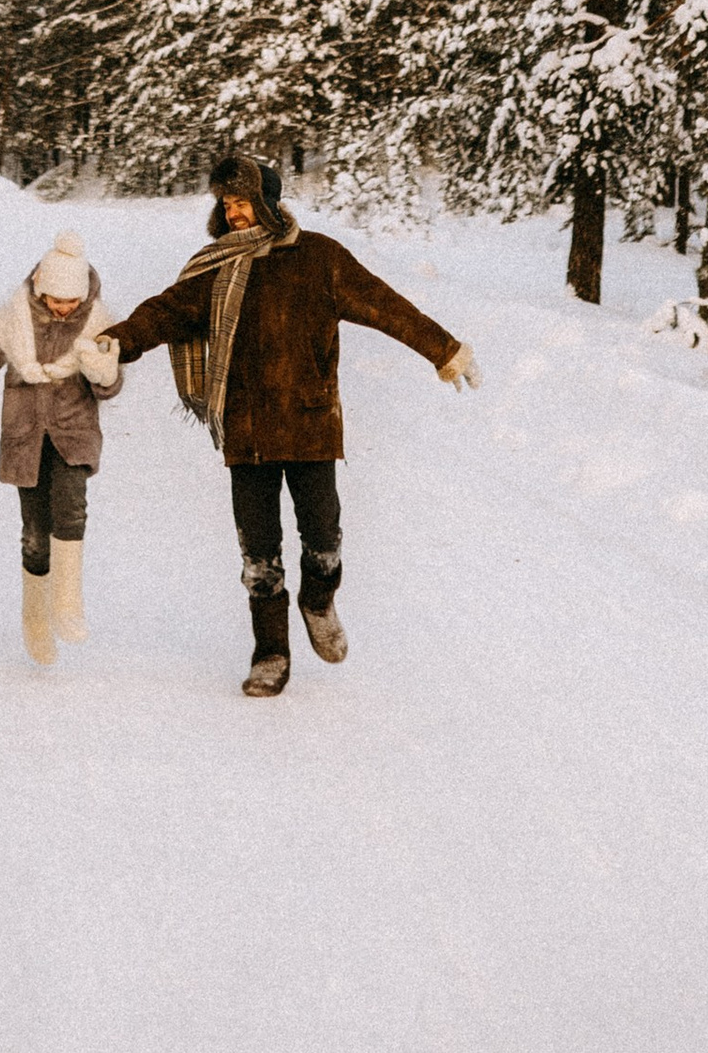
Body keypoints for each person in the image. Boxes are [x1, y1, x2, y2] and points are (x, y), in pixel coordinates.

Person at [104, 150, 476, 698]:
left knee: (323, 538)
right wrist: (116, 342)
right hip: (246, 429)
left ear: (268, 203)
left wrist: (442, 349)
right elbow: (162, 312)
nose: (234, 213)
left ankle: (319, 600)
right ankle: (270, 653)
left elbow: (383, 304)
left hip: (309, 423)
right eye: (226, 204)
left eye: (243, 202)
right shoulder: (216, 268)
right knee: (259, 555)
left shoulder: (320, 258)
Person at [0, 226, 123, 668]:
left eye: (73, 300)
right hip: (26, 438)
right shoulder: (14, 319)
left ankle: (67, 604)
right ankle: (36, 620)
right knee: (34, 533)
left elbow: (110, 383)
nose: (65, 308)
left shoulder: (97, 323)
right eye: (57, 299)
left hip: (73, 436)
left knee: (71, 510)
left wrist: (104, 373)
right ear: (41, 289)